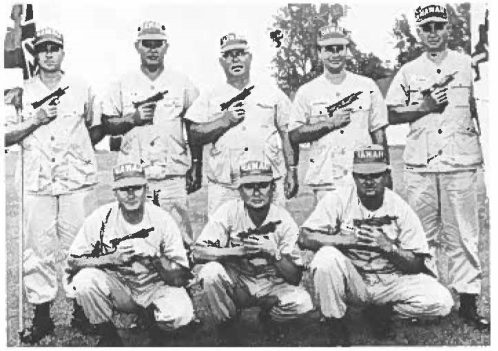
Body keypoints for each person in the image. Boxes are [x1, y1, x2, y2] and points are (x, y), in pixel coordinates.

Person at [385, 4, 489, 329]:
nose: (432, 33)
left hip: (460, 161)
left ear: (448, 29)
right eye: (426, 27)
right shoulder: (407, 71)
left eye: (437, 26)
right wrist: (423, 106)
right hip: (421, 164)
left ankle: (469, 302)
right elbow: (389, 114)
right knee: (420, 235)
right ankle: (425, 298)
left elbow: (482, 110)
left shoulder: (469, 66)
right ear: (418, 33)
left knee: (463, 235)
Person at [303, 145, 453, 346]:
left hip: (390, 279)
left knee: (442, 301)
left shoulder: (400, 208)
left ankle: (383, 312)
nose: (369, 181)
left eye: (376, 175)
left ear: (387, 175)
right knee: (325, 259)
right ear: (354, 177)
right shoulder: (339, 199)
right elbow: (304, 236)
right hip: (355, 280)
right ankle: (336, 324)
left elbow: (417, 264)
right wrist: (344, 240)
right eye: (363, 176)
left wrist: (388, 247)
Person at [4, 28, 99, 344]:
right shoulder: (20, 93)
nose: (48, 54)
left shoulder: (82, 88)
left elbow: (94, 129)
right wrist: (35, 120)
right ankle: (42, 317)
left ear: (63, 52)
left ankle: (82, 312)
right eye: (42, 48)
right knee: (38, 251)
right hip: (37, 182)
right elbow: (5, 136)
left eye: (53, 48)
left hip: (76, 182)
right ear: (34, 54)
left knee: (81, 247)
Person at [67, 163, 194, 346]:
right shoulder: (100, 217)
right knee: (84, 282)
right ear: (115, 192)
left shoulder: (162, 219)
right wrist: (110, 258)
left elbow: (182, 275)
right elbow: (73, 261)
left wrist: (157, 259)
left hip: (154, 284)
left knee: (180, 313)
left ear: (146, 189)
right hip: (120, 285)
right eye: (124, 189)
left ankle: (154, 325)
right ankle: (108, 334)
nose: (131, 194)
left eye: (136, 187)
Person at [99, 20, 200, 245]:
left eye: (158, 44)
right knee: (136, 238)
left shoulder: (181, 82)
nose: (153, 49)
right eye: (147, 44)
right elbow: (106, 124)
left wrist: (196, 164)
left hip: (172, 174)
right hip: (135, 175)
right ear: (137, 47)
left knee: (179, 238)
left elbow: (194, 126)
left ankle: (183, 278)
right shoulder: (122, 83)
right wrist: (131, 119)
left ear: (166, 47)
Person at [193, 160, 312, 346]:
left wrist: (275, 255)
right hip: (239, 280)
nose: (256, 192)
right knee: (210, 273)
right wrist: (236, 251)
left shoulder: (283, 219)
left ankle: (270, 318)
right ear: (240, 190)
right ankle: (227, 322)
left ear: (272, 188)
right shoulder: (229, 212)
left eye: (263, 185)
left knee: (302, 303)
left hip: (270, 282)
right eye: (249, 186)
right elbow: (198, 251)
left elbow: (295, 277)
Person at [185, 32, 298, 214]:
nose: (235, 59)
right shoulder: (211, 95)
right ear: (222, 62)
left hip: (267, 183)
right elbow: (194, 133)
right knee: (222, 238)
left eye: (240, 53)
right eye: (229, 55)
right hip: (226, 187)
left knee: (272, 234)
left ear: (250, 58)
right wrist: (224, 121)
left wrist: (292, 171)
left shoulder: (270, 92)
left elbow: (287, 133)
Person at [289, 24, 388, 203]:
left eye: (339, 49)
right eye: (328, 49)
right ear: (319, 53)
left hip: (363, 176)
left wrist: (385, 171)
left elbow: (378, 133)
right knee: (328, 230)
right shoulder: (307, 91)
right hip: (326, 180)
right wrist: (329, 124)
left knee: (364, 228)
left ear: (346, 51)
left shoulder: (366, 86)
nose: (335, 54)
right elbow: (294, 135)